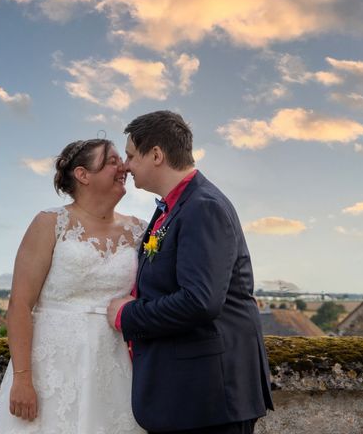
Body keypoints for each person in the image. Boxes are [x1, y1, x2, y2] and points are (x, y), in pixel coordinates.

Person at [107, 111, 274, 434]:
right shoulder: (174, 206)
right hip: (189, 395)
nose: (126, 166)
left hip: (210, 398)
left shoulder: (203, 206)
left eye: (130, 155)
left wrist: (128, 315)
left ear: (156, 154)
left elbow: (200, 301)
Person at [0, 138, 147, 434]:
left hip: (114, 366)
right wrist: (23, 379)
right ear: (82, 174)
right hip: (51, 368)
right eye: (112, 161)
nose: (123, 166)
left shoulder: (140, 230)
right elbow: (20, 305)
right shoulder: (49, 223)